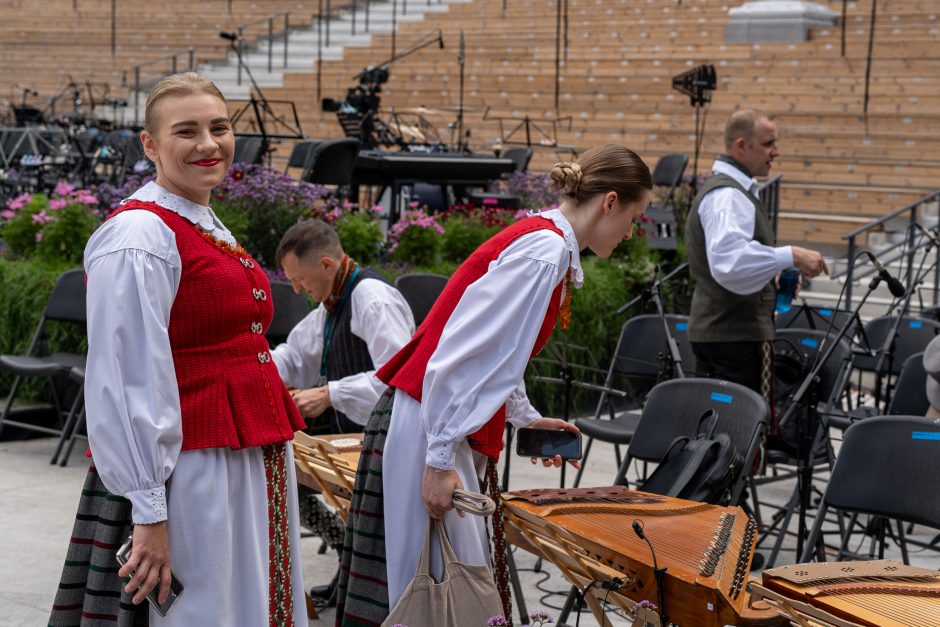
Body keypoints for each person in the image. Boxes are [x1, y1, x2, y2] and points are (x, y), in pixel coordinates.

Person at [335, 144, 653, 625]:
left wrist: (524, 416)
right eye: (635, 216)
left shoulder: (545, 242)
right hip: (428, 425)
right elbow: (461, 355)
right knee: (430, 591)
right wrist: (439, 457)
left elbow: (500, 354)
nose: (632, 232)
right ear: (610, 201)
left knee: (441, 587)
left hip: (431, 421)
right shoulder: (545, 252)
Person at [49, 72, 308, 626]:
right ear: (150, 144)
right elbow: (127, 376)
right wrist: (148, 511)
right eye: (186, 131)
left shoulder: (197, 217)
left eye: (219, 127)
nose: (209, 145)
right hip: (191, 468)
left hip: (237, 456)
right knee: (204, 609)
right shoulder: (139, 236)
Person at [271, 219, 415, 602]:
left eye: (300, 280)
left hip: (386, 439)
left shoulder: (372, 298)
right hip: (353, 432)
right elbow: (296, 352)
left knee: (283, 477)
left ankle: (351, 556)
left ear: (327, 265)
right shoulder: (331, 301)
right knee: (278, 475)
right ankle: (345, 549)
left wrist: (331, 394)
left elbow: (400, 378)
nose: (298, 289)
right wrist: (255, 367)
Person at [686, 108, 828, 406]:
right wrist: (791, 255)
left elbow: (730, 261)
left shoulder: (733, 191)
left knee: (725, 437)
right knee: (736, 438)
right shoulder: (728, 195)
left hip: (726, 334)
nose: (775, 152)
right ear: (740, 145)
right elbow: (730, 261)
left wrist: (769, 273)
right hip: (732, 339)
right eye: (767, 144)